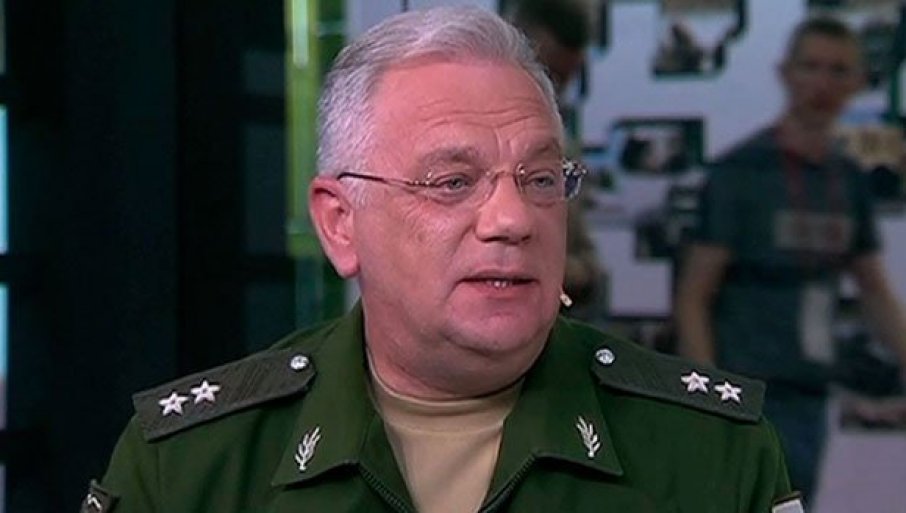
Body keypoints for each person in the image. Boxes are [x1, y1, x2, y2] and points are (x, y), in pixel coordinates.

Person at [84, 7, 797, 513]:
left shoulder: (714, 454)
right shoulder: (189, 466)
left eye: (540, 179)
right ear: (339, 223)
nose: (512, 219)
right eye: (453, 182)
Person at [675, 16, 906, 504]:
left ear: (857, 82)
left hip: (808, 396)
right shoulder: (742, 173)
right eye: (811, 67)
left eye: (838, 70)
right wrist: (709, 399)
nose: (823, 83)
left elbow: (874, 290)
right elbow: (694, 296)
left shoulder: (847, 180)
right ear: (786, 73)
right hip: (743, 393)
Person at [504, 0, 605, 320]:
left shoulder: (561, 145)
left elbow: (581, 255)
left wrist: (580, 272)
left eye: (559, 82)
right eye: (545, 76)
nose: (549, 94)